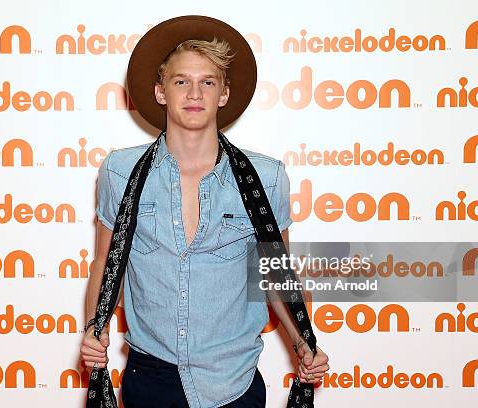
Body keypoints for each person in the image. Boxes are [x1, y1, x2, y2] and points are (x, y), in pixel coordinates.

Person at [80, 15, 329, 408]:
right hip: (150, 376)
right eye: (181, 81)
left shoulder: (265, 177)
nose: (194, 93)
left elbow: (278, 274)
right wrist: (94, 328)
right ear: (161, 92)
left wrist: (303, 342)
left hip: (234, 382)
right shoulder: (120, 172)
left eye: (207, 82)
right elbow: (106, 264)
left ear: (223, 94)